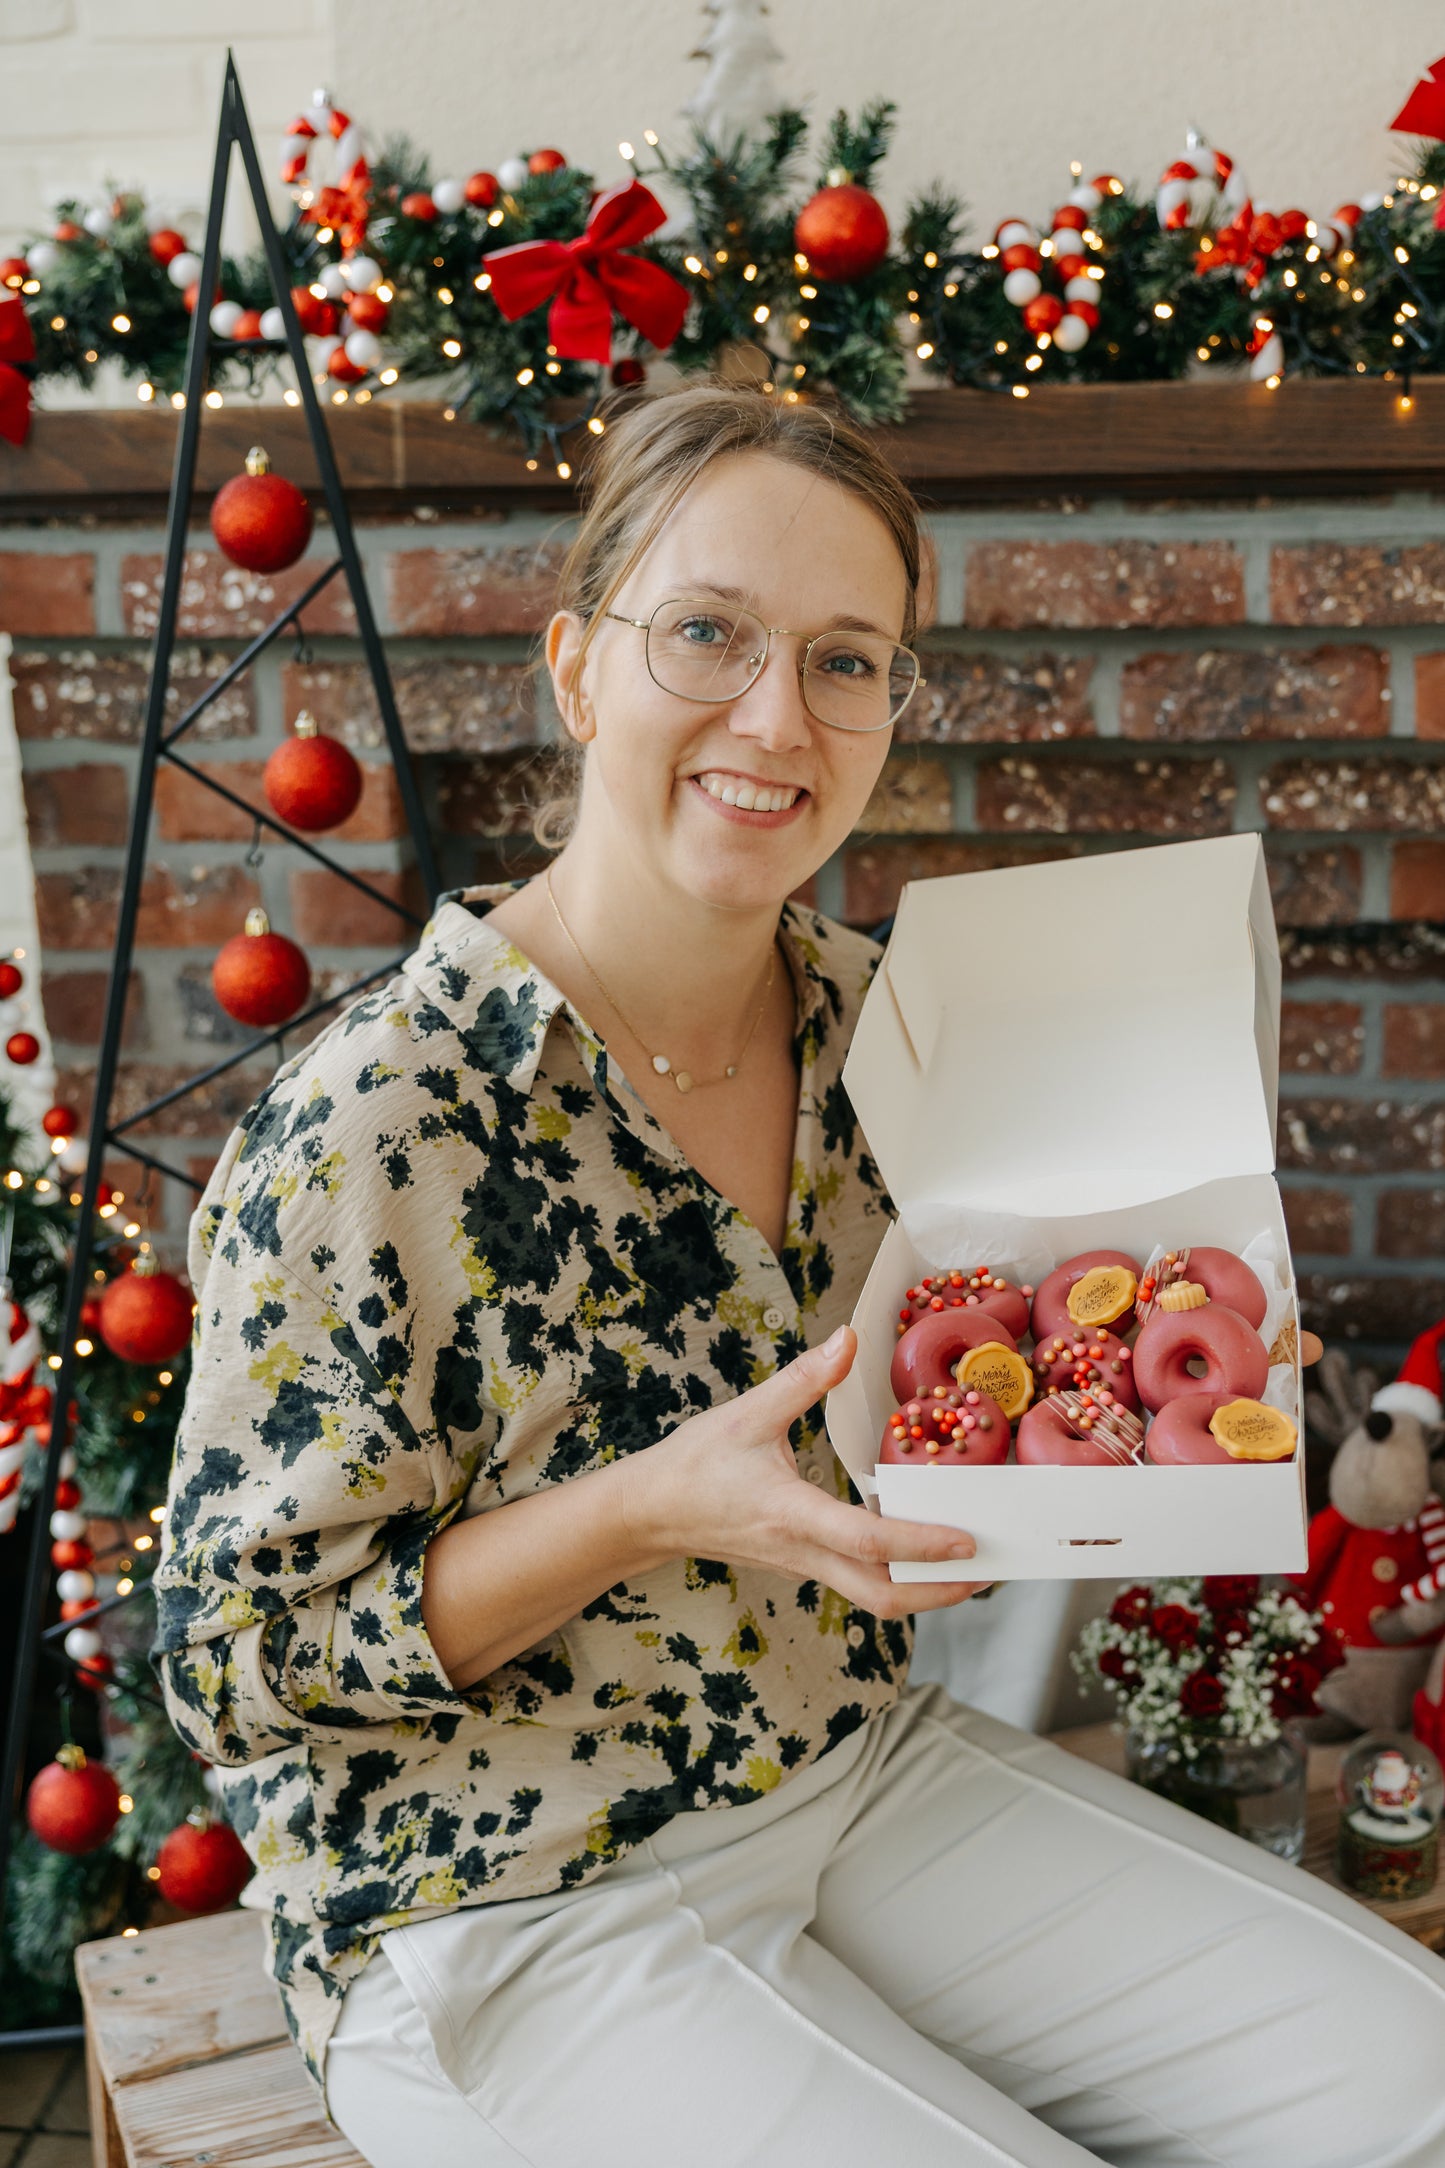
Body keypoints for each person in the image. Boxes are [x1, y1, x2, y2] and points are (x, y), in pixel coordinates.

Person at [153, 384, 1445, 2168]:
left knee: (1407, 2073)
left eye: (847, 660)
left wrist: (1170, 1338)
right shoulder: (378, 1121)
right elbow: (235, 1664)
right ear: (577, 665)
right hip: (492, 1896)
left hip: (841, 1763)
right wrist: (641, 1512)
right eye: (707, 633)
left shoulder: (893, 1020)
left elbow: (971, 1387)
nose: (777, 715)